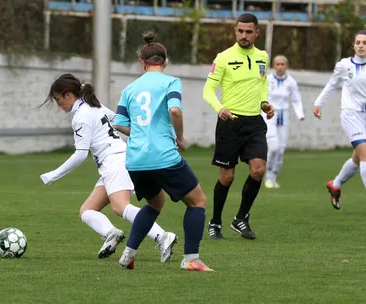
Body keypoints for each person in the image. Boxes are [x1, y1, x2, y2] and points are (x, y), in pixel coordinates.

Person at [39, 74, 178, 262]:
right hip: (115, 160)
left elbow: (80, 154)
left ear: (68, 95)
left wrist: (53, 175)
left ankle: (163, 236)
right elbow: (120, 122)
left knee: (120, 207)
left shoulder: (81, 116)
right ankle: (112, 233)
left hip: (114, 161)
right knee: (87, 210)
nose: (58, 104)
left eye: (57, 99)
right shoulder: (94, 106)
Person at [113, 32, 213, 272]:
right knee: (197, 201)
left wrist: (139, 131)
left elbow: (118, 122)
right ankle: (191, 259)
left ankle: (128, 254)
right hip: (163, 155)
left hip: (136, 159)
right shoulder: (170, 82)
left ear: (143, 63)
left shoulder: (130, 88)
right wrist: (179, 138)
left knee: (155, 202)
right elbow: (175, 112)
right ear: (165, 62)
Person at [202, 13, 274, 240]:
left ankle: (241, 218)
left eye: (248, 31)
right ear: (235, 31)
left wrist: (265, 103)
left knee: (258, 170)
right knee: (227, 177)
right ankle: (215, 222)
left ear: (257, 33)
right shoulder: (223, 58)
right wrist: (219, 108)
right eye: (240, 31)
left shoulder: (263, 56)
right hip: (230, 122)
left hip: (254, 122)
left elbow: (262, 85)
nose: (244, 35)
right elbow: (208, 90)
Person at [313, 30, 366, 216]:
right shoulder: (343, 65)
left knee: (357, 159)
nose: (361, 45)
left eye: (365, 43)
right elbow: (331, 84)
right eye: (358, 42)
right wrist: (318, 103)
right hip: (350, 114)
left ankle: (335, 184)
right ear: (353, 45)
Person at [263, 55, 305, 189]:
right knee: (273, 146)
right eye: (277, 64)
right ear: (273, 66)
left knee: (281, 149)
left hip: (284, 115)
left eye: (282, 64)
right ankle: (267, 175)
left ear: (287, 66)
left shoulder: (291, 82)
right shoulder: (267, 79)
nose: (280, 67)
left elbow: (296, 99)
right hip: (270, 115)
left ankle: (274, 176)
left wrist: (300, 114)